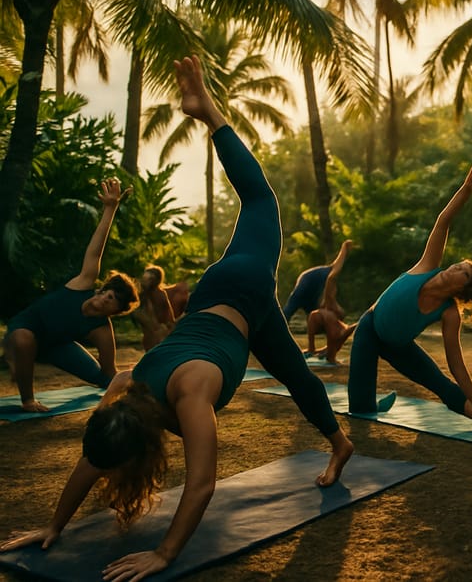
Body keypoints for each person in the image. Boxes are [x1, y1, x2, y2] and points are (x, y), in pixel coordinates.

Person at [0, 56, 354, 578]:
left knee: (261, 200)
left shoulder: (187, 394)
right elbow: (91, 459)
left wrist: (164, 553)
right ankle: (340, 444)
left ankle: (208, 109)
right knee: (298, 376)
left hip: (242, 288)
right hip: (226, 301)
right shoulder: (126, 394)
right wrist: (54, 525)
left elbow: (202, 484)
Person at [346, 165, 472, 436]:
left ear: (464, 288)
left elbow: (456, 364)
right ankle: (371, 404)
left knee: (441, 384)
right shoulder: (427, 266)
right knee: (359, 408)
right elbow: (443, 222)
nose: (456, 267)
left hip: (399, 347)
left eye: (463, 272)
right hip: (369, 329)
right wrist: (463, 193)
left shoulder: (449, 313)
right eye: (459, 264)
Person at [3, 181, 138, 412]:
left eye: (113, 299)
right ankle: (27, 399)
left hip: (55, 346)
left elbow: (109, 372)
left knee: (102, 380)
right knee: (24, 340)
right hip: (25, 328)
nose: (107, 298)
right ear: (101, 290)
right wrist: (110, 208)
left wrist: (129, 386)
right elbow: (95, 251)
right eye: (108, 293)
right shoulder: (82, 284)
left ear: (116, 311)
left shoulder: (102, 330)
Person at [304, 239, 358, 362]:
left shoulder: (335, 318)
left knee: (345, 329)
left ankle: (321, 351)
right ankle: (321, 351)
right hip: (323, 320)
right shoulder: (329, 304)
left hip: (328, 324)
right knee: (330, 321)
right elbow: (332, 276)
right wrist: (344, 249)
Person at [131, 265, 189, 351]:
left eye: (150, 279)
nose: (146, 281)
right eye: (146, 278)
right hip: (151, 334)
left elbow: (169, 318)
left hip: (159, 334)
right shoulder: (142, 296)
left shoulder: (160, 295)